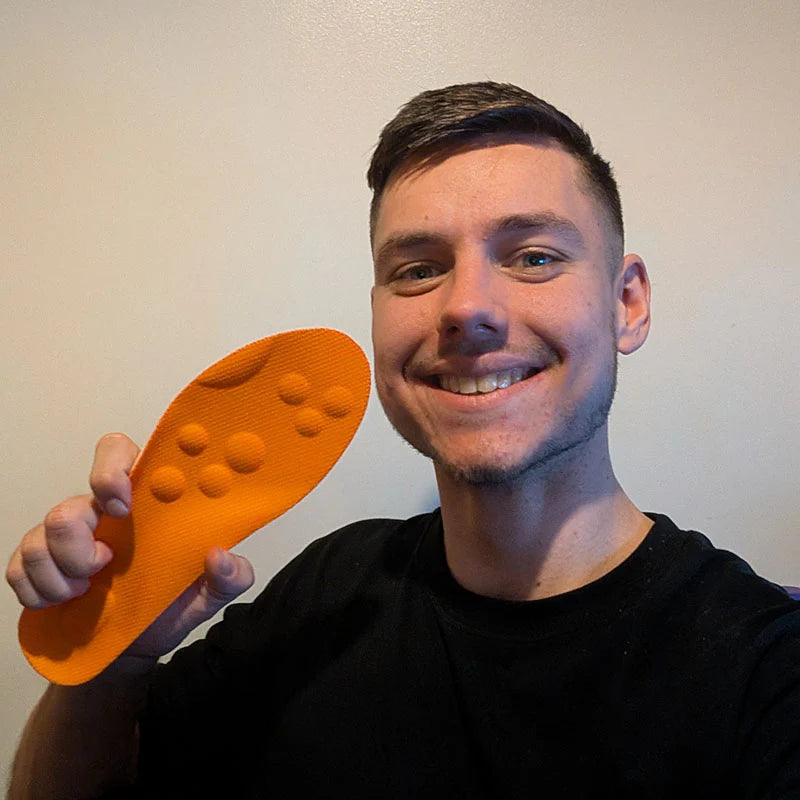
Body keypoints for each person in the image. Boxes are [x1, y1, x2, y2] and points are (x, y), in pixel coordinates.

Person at [7, 82, 800, 799]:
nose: (466, 307)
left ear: (627, 303)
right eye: (418, 270)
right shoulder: (329, 593)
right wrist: (112, 658)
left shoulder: (764, 666)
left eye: (533, 257)